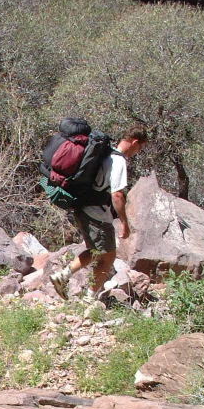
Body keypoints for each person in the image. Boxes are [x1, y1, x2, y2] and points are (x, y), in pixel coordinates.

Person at [49, 123, 148, 301]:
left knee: (97, 250)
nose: (137, 151)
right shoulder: (118, 161)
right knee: (108, 255)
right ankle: (89, 297)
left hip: (83, 204)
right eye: (139, 148)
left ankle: (63, 277)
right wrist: (124, 223)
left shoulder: (106, 152)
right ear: (134, 142)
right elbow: (117, 195)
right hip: (96, 211)